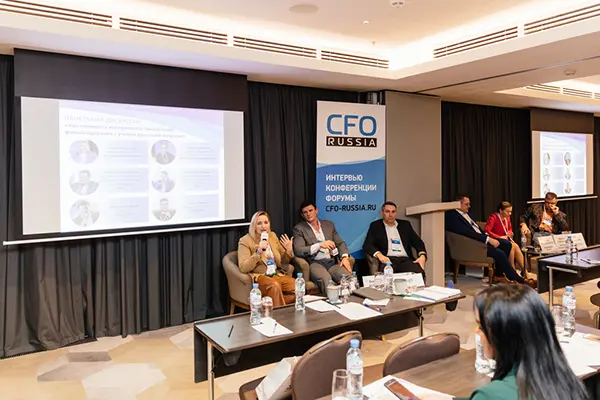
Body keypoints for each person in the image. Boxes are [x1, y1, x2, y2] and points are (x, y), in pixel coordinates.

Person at [454, 285, 589, 400]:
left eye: (481, 326)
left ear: (503, 335)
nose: (477, 331)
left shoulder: (491, 395)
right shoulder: (566, 381)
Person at [445, 196, 535, 287]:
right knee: (499, 253)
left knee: (507, 244)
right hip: (474, 244)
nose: (469, 206)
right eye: (466, 204)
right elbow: (468, 233)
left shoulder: (468, 214)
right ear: (458, 204)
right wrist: (488, 239)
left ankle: (498, 275)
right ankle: (518, 279)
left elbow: (477, 229)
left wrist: (487, 237)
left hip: (482, 239)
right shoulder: (452, 216)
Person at [238, 211, 296, 307]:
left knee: (296, 286)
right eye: (259, 223)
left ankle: (270, 306)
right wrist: (258, 252)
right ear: (253, 226)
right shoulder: (245, 241)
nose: (263, 226)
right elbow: (243, 267)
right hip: (260, 277)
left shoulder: (272, 236)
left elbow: (283, 262)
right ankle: (279, 314)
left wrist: (289, 251)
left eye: (266, 222)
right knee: (274, 285)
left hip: (275, 274)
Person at [292, 201, 354, 290]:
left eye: (310, 210)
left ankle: (350, 298)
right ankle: (333, 298)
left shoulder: (328, 225)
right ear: (302, 215)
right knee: (326, 281)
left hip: (331, 262)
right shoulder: (299, 229)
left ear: (316, 210)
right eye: (305, 212)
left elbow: (340, 243)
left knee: (349, 279)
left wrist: (344, 257)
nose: (308, 214)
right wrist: (319, 245)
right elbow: (299, 250)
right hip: (315, 263)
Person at [363, 201, 427, 277]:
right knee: (384, 277)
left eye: (393, 212)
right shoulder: (376, 226)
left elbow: (418, 242)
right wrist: (380, 255)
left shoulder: (405, 225)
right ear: (382, 212)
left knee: (419, 274)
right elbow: (368, 245)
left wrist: (422, 255)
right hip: (388, 260)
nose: (390, 215)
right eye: (387, 211)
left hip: (405, 260)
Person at [485, 201, 527, 278]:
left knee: (516, 246)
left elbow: (510, 228)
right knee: (513, 246)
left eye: (511, 211)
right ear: (501, 210)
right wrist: (499, 237)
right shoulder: (493, 217)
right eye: (508, 211)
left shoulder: (507, 218)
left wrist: (509, 233)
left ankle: (524, 271)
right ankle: (513, 270)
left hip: (506, 239)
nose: (510, 214)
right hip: (496, 241)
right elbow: (487, 230)